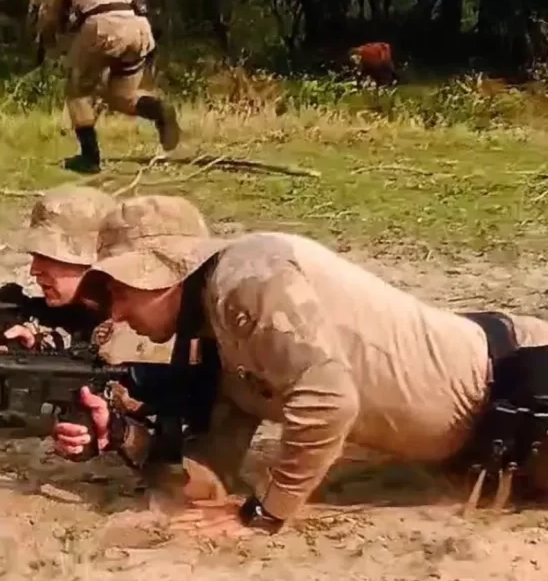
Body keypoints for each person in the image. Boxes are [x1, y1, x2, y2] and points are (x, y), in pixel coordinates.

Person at [53, 194, 548, 537]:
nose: (115, 312)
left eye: (120, 291)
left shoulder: (247, 279)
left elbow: (330, 400)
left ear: (166, 275)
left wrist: (266, 514)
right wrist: (122, 436)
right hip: (494, 438)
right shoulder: (220, 335)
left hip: (519, 387)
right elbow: (210, 478)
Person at [0, 184, 170, 365]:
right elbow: (77, 349)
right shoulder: (88, 311)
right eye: (35, 256)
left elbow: (96, 388)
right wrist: (33, 346)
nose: (34, 270)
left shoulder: (137, 323)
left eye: (48, 257)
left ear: (93, 261)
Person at [35, 0, 181, 175]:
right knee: (121, 97)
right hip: (138, 26)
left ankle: (89, 159)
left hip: (103, 27)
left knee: (76, 90)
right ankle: (160, 111)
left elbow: (50, 9)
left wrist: (45, 38)